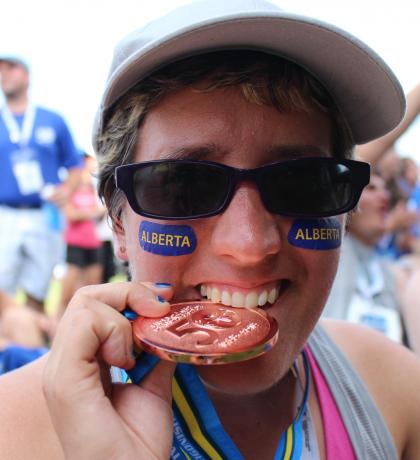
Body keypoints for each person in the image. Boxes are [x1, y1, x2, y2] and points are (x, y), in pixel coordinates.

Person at [0, 2, 420, 459]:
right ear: (119, 223)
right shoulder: (15, 432)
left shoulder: (395, 389)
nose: (249, 246)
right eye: (184, 187)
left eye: (304, 183)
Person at [0, 55, 82, 312]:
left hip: (45, 214)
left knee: (39, 285)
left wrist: (67, 190)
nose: (4, 73)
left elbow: (74, 165)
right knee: (3, 286)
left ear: (26, 76)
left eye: (10, 68)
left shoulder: (52, 120)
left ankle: (31, 347)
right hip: (5, 214)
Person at [323, 172, 406, 343]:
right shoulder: (328, 248)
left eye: (385, 190)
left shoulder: (391, 272)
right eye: (371, 188)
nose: (384, 196)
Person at [58, 151, 105, 315]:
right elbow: (71, 215)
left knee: (93, 289)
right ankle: (56, 326)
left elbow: (97, 215)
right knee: (66, 294)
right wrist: (94, 212)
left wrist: (97, 212)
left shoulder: (92, 188)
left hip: (92, 242)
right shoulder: (67, 188)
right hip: (75, 242)